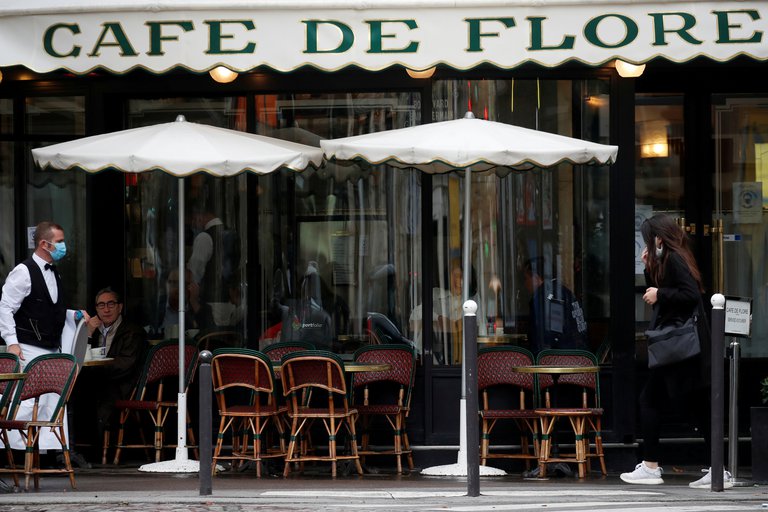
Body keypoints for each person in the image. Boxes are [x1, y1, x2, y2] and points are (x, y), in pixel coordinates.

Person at [620, 213, 728, 488]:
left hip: (679, 347)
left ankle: (651, 466)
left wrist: (660, 293)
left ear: (658, 238)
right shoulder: (672, 258)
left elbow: (690, 294)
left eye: (648, 238)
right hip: (684, 348)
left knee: (651, 400)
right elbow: (667, 292)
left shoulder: (675, 259)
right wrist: (648, 270)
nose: (647, 243)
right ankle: (718, 469)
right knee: (698, 407)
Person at [0, 221, 88, 365]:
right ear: (44, 244)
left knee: (55, 389)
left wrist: (75, 315)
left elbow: (49, 308)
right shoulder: (23, 272)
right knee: (31, 388)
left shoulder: (55, 273)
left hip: (55, 349)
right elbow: (5, 307)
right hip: (28, 350)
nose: (63, 246)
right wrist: (12, 343)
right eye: (59, 242)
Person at [82, 287, 147, 441]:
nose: (106, 310)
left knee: (99, 393)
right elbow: (81, 356)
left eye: (111, 304)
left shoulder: (132, 331)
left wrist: (98, 370)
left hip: (123, 384)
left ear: (120, 307)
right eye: (101, 305)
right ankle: (78, 446)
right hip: (97, 379)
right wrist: (88, 334)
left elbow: (126, 364)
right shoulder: (94, 330)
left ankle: (98, 447)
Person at [524, 257, 587, 355]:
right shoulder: (566, 293)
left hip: (557, 360)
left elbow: (547, 336)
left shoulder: (543, 297)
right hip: (580, 356)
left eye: (526, 278)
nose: (525, 284)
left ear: (535, 278)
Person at [187, 207, 240, 305]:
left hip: (209, 301)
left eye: (194, 219)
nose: (194, 224)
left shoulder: (204, 237)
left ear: (202, 215)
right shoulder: (232, 234)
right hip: (229, 300)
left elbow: (196, 271)